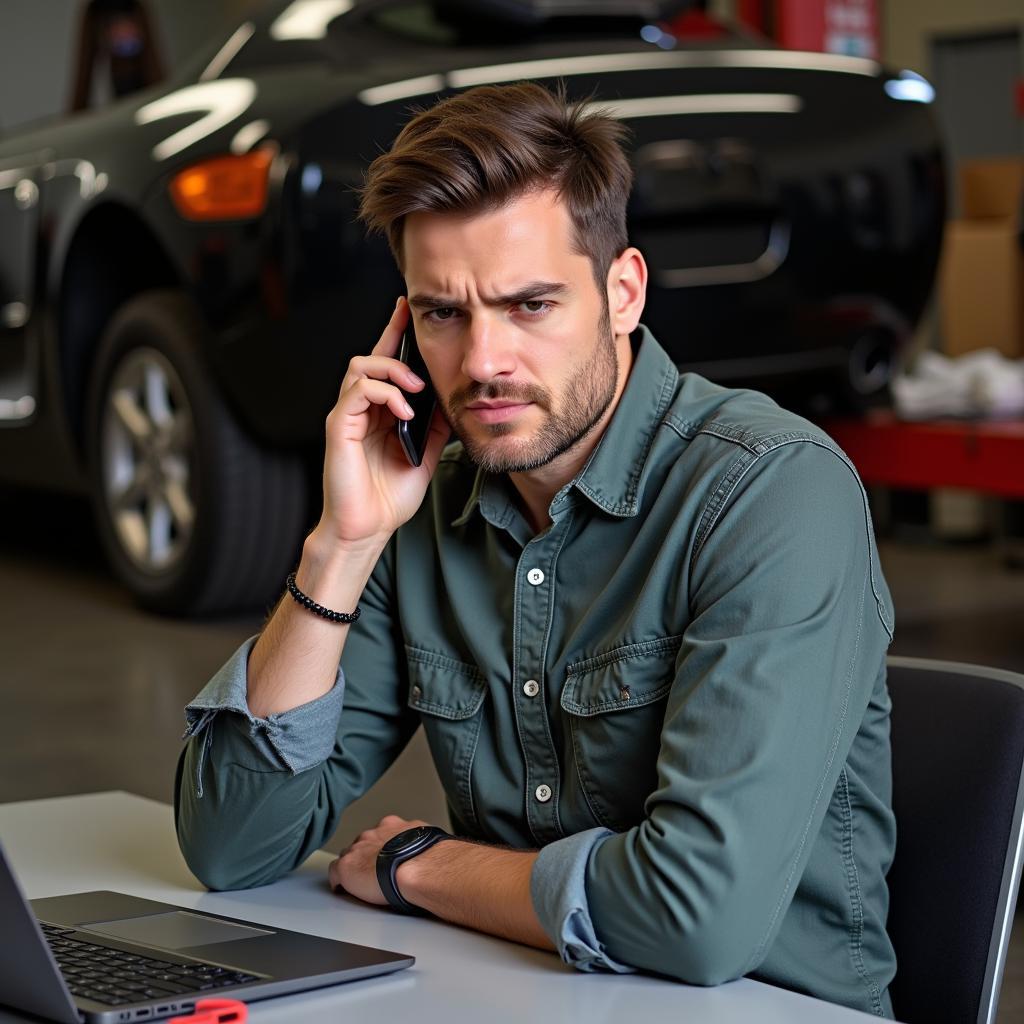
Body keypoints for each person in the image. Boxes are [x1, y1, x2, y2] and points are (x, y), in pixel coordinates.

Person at [175, 82, 897, 1018]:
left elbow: (698, 919)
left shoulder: (771, 493)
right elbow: (232, 843)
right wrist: (339, 549)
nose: (482, 362)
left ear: (623, 291)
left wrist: (420, 867)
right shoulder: (420, 511)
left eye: (530, 305)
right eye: (444, 313)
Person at [69, 0, 164, 112]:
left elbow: (153, 62)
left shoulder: (137, 7)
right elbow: (83, 74)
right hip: (124, 96)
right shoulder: (94, 10)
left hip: (144, 93)